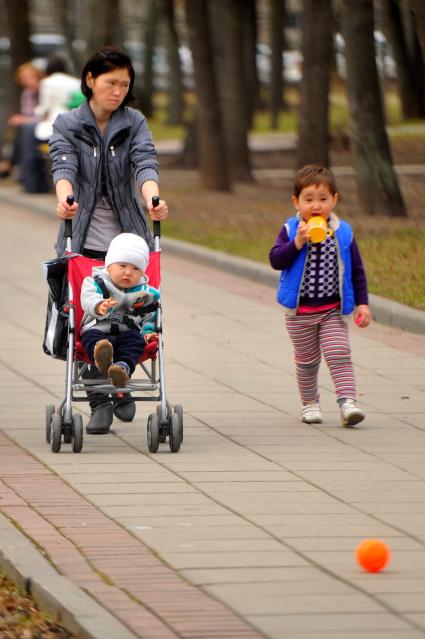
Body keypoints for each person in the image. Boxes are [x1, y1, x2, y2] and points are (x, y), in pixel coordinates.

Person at [49, 46, 168, 433]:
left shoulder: (133, 122)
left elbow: (144, 162)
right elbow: (62, 163)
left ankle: (121, 384)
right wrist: (64, 200)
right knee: (84, 322)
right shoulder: (68, 123)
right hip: (81, 241)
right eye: (110, 82)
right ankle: (99, 400)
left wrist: (152, 198)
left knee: (129, 316)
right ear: (90, 80)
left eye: (124, 84)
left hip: (127, 244)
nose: (117, 90)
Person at [269, 164, 371, 427]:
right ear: (296, 201)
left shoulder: (343, 232)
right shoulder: (291, 230)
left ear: (334, 200)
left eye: (323, 199)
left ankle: (348, 402)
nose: (316, 206)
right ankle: (310, 403)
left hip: (332, 310)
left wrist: (362, 304)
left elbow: (356, 271)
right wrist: (297, 243)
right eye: (309, 200)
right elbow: (275, 259)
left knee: (339, 353)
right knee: (307, 362)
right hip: (299, 313)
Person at [80, 233, 159, 434]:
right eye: (122, 266)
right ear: (109, 265)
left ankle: (121, 370)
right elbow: (87, 299)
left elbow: (150, 316)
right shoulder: (97, 281)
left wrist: (149, 332)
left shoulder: (145, 292)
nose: (128, 273)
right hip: (99, 327)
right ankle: (102, 357)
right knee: (93, 338)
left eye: (135, 269)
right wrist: (99, 305)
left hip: (128, 332)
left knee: (135, 342)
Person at [0, 62, 43, 178]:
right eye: (22, 78)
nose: (25, 81)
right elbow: (27, 113)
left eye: (28, 77)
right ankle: (9, 163)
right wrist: (22, 119)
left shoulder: (45, 90)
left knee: (22, 129)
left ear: (37, 76)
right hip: (29, 126)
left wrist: (23, 119)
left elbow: (43, 116)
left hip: (43, 127)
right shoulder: (27, 93)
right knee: (14, 127)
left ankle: (9, 164)